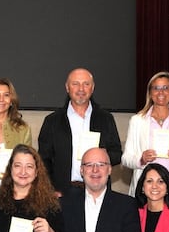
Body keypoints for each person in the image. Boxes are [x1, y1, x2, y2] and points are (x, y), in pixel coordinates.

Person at [38, 68, 122, 196]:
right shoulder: (52, 121)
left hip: (98, 191)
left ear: (92, 88)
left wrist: (103, 155)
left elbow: (117, 154)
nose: (81, 89)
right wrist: (51, 190)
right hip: (62, 193)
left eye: (86, 84)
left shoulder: (105, 119)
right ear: (67, 87)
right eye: (75, 84)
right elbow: (43, 160)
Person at [121, 72, 169, 198]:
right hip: (146, 186)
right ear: (150, 92)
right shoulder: (137, 121)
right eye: (156, 88)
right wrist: (141, 159)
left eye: (166, 88)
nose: (161, 92)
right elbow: (126, 158)